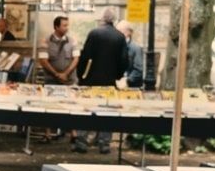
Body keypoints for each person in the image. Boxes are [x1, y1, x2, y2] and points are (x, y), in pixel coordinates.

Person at [75, 8, 129, 153]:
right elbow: (124, 60)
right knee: (107, 112)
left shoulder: (94, 33)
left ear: (103, 20)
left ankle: (82, 141)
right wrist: (118, 75)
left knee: (86, 110)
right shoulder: (120, 37)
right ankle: (104, 143)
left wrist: (81, 76)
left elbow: (85, 56)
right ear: (114, 20)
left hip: (91, 80)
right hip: (109, 80)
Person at [38, 15, 80, 145]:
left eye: (67, 25)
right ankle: (48, 134)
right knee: (49, 107)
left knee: (71, 108)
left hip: (69, 80)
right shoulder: (45, 41)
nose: (67, 28)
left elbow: (76, 58)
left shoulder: (72, 41)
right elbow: (43, 60)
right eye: (64, 25)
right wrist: (57, 74)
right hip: (51, 79)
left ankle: (73, 134)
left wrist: (65, 74)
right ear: (56, 26)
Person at [118, 20, 145, 89]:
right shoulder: (116, 46)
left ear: (128, 32)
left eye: (120, 31)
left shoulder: (136, 48)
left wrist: (127, 80)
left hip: (131, 86)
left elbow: (138, 70)